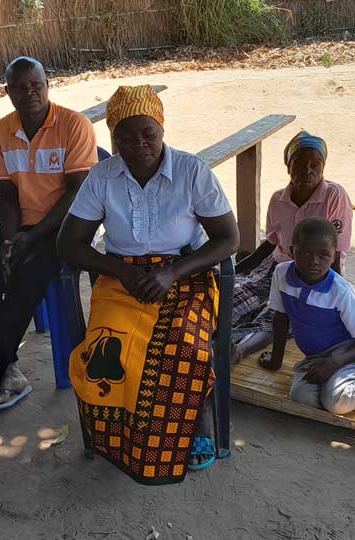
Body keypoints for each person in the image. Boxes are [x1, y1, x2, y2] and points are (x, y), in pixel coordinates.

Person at [57, 85, 239, 484]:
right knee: (106, 352)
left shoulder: (192, 171)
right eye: (126, 136)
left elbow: (229, 239)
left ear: (162, 129)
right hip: (122, 277)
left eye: (148, 135)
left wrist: (172, 273)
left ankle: (196, 429)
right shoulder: (102, 177)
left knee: (184, 346)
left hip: (184, 273)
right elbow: (68, 242)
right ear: (113, 137)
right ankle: (122, 439)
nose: (138, 144)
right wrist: (121, 271)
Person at [0, 57, 98, 421]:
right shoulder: (2, 130)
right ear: (8, 91)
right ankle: (9, 372)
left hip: (68, 226)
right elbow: (6, 193)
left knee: (25, 279)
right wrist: (10, 240)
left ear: (48, 85)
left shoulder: (73, 125)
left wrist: (32, 240)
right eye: (20, 87)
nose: (30, 93)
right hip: (24, 226)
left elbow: (79, 192)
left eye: (37, 85)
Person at [230, 131, 353, 363]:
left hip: (314, 273)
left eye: (315, 164)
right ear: (288, 166)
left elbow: (335, 251)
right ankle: (216, 338)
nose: (308, 170)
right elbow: (270, 244)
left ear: (324, 167)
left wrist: (330, 293)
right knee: (233, 299)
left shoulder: (334, 196)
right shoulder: (278, 200)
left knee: (279, 315)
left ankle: (239, 351)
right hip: (277, 266)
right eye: (300, 163)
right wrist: (236, 271)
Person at [258, 218, 355, 415]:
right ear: (291, 250)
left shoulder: (340, 290)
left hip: (349, 355)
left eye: (323, 255)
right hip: (316, 357)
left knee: (336, 403)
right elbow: (281, 317)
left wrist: (334, 362)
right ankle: (337, 385)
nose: (314, 261)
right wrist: (276, 361)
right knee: (300, 398)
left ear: (333, 255)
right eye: (305, 253)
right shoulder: (281, 274)